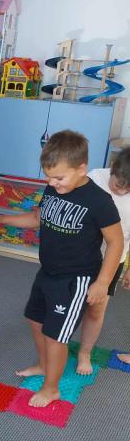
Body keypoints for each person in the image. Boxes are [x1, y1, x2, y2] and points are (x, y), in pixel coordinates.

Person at [0, 130, 123, 407]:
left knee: (56, 337)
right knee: (35, 320)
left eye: (59, 178)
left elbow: (116, 242)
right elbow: (38, 218)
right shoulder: (54, 188)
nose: (52, 183)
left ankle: (51, 388)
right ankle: (43, 366)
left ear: (81, 168)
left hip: (76, 279)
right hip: (48, 272)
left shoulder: (99, 201)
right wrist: (3, 218)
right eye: (48, 177)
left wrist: (102, 282)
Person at [75, 147, 130, 372]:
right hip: (80, 254)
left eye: (128, 188)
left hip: (112, 260)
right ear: (113, 168)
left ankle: (85, 352)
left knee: (96, 309)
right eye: (119, 183)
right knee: (68, 303)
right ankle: (53, 345)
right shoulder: (94, 178)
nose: (122, 190)